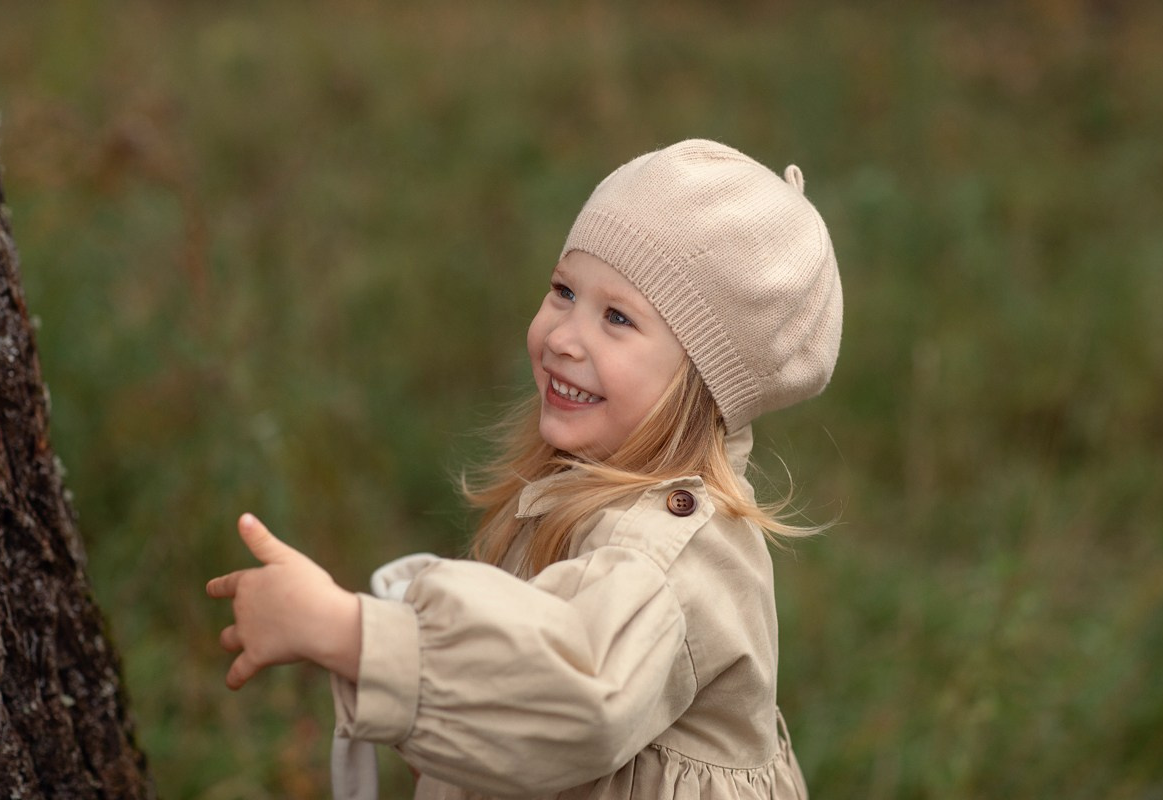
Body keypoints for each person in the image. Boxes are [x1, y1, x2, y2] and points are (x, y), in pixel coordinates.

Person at [207, 138, 843, 799]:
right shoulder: (584, 484)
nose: (563, 337)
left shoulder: (665, 553)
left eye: (617, 317)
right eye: (564, 291)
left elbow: (575, 695)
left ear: (703, 381)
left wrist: (346, 632)